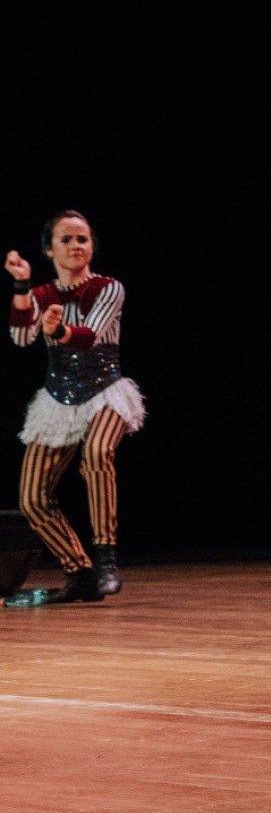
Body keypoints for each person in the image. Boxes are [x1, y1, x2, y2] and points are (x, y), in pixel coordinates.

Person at [7, 211, 146, 604]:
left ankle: (105, 559)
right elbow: (20, 337)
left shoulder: (108, 288)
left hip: (106, 391)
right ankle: (79, 571)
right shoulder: (41, 295)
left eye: (82, 239)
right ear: (50, 249)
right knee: (33, 499)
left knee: (98, 452)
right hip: (59, 397)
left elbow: (89, 337)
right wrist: (21, 284)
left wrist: (58, 330)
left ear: (92, 246)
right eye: (66, 240)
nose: (75, 246)